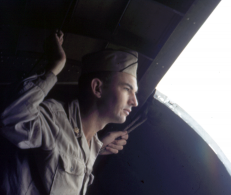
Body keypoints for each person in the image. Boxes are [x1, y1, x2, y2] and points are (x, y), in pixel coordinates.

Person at [0, 30, 139, 195]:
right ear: (98, 88)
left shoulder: (92, 143)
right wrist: (56, 65)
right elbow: (10, 118)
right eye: (127, 89)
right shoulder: (54, 117)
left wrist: (98, 146)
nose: (135, 101)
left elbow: (68, 155)